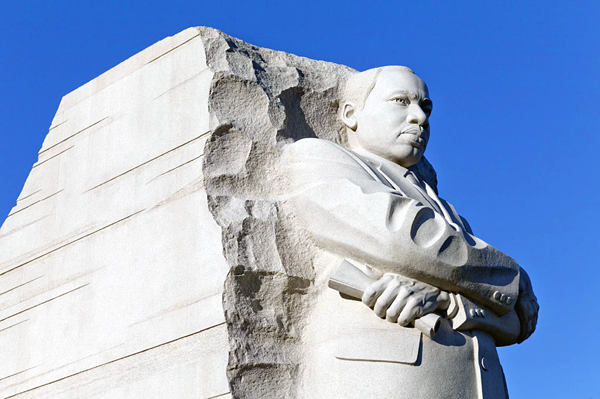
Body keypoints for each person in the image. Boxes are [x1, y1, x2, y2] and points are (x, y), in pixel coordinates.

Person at [281, 66, 539, 398]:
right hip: (388, 377)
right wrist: (516, 277)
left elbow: (518, 323)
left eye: (425, 107)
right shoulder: (318, 158)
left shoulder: (449, 214)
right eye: (401, 101)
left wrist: (448, 298)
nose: (419, 117)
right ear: (350, 114)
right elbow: (403, 238)